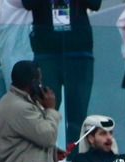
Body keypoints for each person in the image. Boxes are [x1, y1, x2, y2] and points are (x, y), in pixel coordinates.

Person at [21, 0, 98, 141]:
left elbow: (95, 4)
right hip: (47, 53)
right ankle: (45, 159)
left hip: (78, 53)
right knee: (44, 112)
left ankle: (75, 159)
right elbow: (28, 4)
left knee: (77, 115)